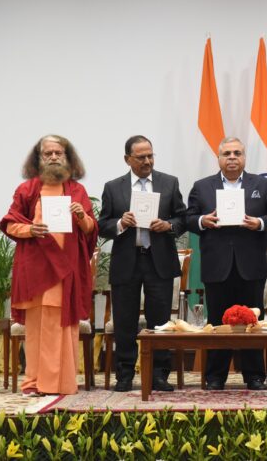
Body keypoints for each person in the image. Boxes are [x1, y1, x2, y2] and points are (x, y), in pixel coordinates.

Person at [0, 135, 98, 396]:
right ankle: (33, 382)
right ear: (39, 158)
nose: (54, 157)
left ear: (68, 158)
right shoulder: (27, 190)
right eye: (48, 153)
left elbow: (90, 229)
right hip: (36, 270)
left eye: (59, 153)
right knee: (36, 330)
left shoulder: (77, 190)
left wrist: (81, 215)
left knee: (62, 328)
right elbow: (10, 224)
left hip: (66, 270)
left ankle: (61, 383)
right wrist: (31, 229)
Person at [186, 137, 267, 390]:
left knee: (252, 319)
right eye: (227, 153)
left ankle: (254, 376)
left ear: (244, 158)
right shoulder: (202, 186)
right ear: (218, 158)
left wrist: (260, 223)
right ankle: (216, 376)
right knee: (218, 321)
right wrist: (202, 221)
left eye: (237, 153)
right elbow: (188, 218)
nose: (232, 157)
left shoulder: (261, 185)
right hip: (216, 265)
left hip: (250, 264)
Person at [98, 135, 187, 392]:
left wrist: (168, 225)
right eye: (141, 157)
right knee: (125, 321)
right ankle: (124, 375)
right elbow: (103, 225)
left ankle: (159, 374)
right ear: (128, 159)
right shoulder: (113, 187)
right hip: (127, 261)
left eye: (150, 155)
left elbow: (183, 218)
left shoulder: (169, 183)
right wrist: (120, 223)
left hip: (158, 260)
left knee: (159, 321)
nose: (147, 161)